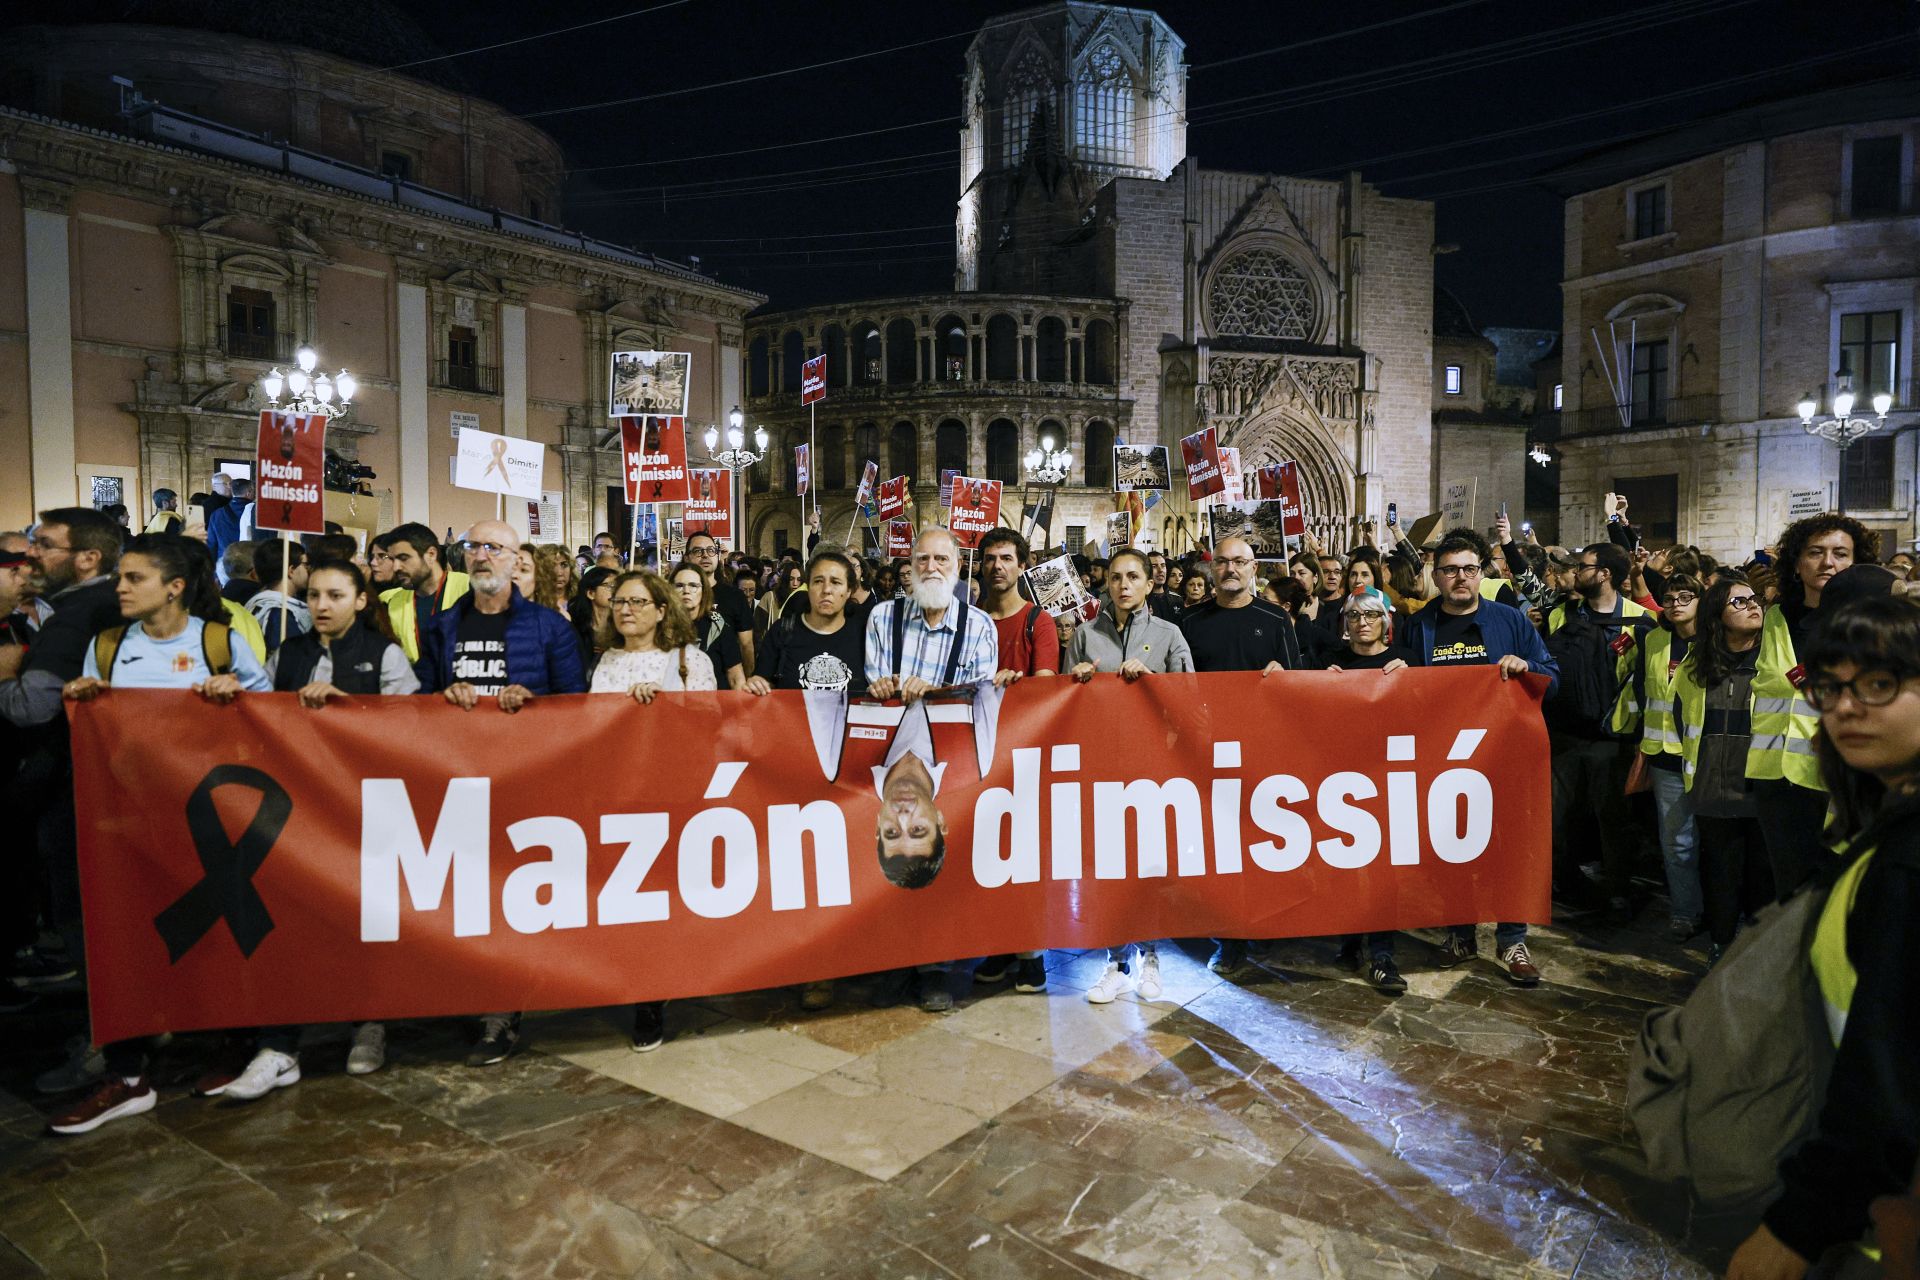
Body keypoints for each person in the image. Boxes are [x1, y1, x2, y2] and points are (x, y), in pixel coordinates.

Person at [46, 534, 272, 1134]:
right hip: (128, 821)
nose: (120, 588)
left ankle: (232, 1042)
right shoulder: (109, 646)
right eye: (121, 577)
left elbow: (274, 722)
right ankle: (127, 1073)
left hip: (207, 823)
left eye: (134, 578)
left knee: (218, 936)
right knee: (126, 940)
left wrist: (239, 695)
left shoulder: (217, 642)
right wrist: (82, 701)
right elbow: (95, 728)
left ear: (174, 587)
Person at [1726, 593, 1920, 1280]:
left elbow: (1888, 1064)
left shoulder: (1907, 861)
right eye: (1831, 687)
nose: (1845, 707)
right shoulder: (1882, 827)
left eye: (1878, 685)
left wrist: (1796, 1227)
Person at [417, 521, 586, 1066]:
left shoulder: (547, 628)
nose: (481, 556)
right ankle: (472, 990)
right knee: (467, 894)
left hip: (526, 780)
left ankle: (501, 1010)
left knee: (510, 896)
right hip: (460, 777)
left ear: (517, 562)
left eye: (494, 548)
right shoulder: (442, 626)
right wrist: (445, 696)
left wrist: (533, 701)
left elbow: (576, 705)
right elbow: (419, 702)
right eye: (473, 547)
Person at [1401, 530, 1560, 986]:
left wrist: (1527, 668)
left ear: (1481, 572)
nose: (1461, 578)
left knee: (1509, 849)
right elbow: (1402, 684)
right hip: (1443, 759)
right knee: (1452, 849)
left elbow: (1553, 675)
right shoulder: (1419, 623)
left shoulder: (1510, 620)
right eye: (1450, 570)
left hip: (1504, 757)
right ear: (1436, 575)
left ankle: (1512, 939)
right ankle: (1460, 932)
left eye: (1469, 569)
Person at [864, 527, 999, 1012]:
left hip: (950, 763)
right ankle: (894, 961)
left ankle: (936, 968)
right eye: (922, 559)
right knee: (886, 876)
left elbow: (981, 696)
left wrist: (936, 688)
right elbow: (875, 681)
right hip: (893, 755)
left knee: (941, 873)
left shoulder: (981, 626)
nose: (930, 568)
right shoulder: (883, 617)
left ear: (958, 567)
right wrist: (883, 687)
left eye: (941, 559)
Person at [1066, 546, 1194, 1004]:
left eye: (1133, 577)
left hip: (1151, 770)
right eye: (1116, 577)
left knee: (1150, 866)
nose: (1123, 585)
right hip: (1101, 769)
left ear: (1149, 583)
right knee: (1107, 867)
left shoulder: (1169, 635)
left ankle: (1152, 956)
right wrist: (1076, 680)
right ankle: (1116, 962)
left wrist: (1154, 682)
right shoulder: (1083, 635)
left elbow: (1189, 704)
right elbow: (1064, 709)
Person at [1179, 535, 1303, 977]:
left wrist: (1282, 675)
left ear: (1255, 569)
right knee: (1220, 845)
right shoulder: (1189, 622)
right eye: (1223, 562)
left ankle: (1266, 920)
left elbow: (1297, 682)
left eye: (1240, 562)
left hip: (1261, 749)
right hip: (1205, 751)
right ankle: (1228, 936)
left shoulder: (1275, 619)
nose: (1231, 569)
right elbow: (1178, 687)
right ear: (1212, 570)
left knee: (1261, 839)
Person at [1747, 514, 1879, 900]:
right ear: (1796, 562)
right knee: (1791, 890)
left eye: (1841, 553)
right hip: (1778, 780)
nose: (1828, 563)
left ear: (1857, 562)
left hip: (1843, 781)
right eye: (1815, 553)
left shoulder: (1872, 623)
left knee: (1844, 894)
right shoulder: (1775, 617)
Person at [1543, 540, 1657, 920]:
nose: (1576, 572)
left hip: (1612, 740)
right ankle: (1566, 883)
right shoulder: (1562, 614)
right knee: (1557, 817)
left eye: (1584, 566)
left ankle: (1618, 890)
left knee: (1612, 819)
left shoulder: (1643, 623)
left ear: (1605, 574)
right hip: (1564, 737)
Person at [970, 528, 1060, 997]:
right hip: (977, 755)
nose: (997, 566)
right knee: (986, 856)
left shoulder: (1038, 622)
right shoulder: (969, 622)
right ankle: (1000, 945)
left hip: (1024, 756)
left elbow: (1045, 686)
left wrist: (1018, 683)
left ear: (1021, 565)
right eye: (990, 559)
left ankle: (1031, 955)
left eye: (1007, 558)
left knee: (1024, 856)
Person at [1670, 574, 1772, 965]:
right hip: (1713, 787)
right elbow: (1685, 721)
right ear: (1716, 616)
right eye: (1739, 602)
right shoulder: (1696, 665)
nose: (1752, 606)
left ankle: (1757, 952)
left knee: (1763, 878)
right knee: (1721, 873)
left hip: (1764, 786)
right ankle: (1721, 944)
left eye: (1754, 599)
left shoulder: (1772, 663)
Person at [1318, 592, 1417, 994]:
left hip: (1387, 779)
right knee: (1345, 865)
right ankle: (1350, 940)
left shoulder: (1402, 662)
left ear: (1385, 621)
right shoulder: (1331, 665)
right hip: (1342, 780)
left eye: (1371, 615)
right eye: (1354, 615)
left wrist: (1411, 679)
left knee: (1381, 871)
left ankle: (1383, 953)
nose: (1362, 622)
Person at [1616, 573, 1705, 942]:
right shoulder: (1653, 640)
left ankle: (1726, 911)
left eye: (1686, 596)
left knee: (1717, 843)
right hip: (1666, 757)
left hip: (1712, 759)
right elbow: (1641, 691)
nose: (1676, 604)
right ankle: (1686, 912)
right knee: (1678, 844)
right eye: (1669, 598)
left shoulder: (1718, 641)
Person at [381, 523, 470, 665]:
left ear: (431, 555)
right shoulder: (392, 602)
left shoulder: (468, 588)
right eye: (392, 560)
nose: (396, 567)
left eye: (403, 558)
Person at [685, 532, 755, 678]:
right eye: (698, 551)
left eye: (711, 550)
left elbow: (746, 645)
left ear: (717, 556)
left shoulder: (735, 596)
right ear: (687, 558)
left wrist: (747, 680)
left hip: (725, 684)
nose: (705, 555)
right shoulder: (676, 596)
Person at [669, 560, 746, 690]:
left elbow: (735, 677)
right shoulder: (661, 626)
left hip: (712, 703)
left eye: (693, 585)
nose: (686, 591)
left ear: (704, 590)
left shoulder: (718, 627)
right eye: (679, 585)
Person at [246, 538, 311, 652]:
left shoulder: (257, 603)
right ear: (291, 570)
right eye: (305, 565)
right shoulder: (279, 615)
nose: (309, 570)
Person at [206, 477, 251, 561]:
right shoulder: (255, 513)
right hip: (249, 563)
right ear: (249, 492)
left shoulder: (217, 514)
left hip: (224, 563)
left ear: (232, 492)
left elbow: (211, 544)